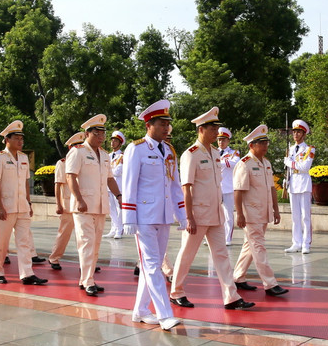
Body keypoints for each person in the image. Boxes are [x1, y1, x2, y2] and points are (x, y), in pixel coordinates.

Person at [170, 107, 253, 311]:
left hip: (216, 213)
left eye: (217, 128)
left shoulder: (215, 152)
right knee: (187, 254)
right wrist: (188, 217)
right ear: (201, 129)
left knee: (222, 254)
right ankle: (176, 291)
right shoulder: (191, 154)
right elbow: (186, 188)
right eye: (213, 128)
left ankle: (231, 296)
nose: (217, 133)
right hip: (197, 214)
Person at [121, 99, 185, 331]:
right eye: (161, 124)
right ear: (148, 125)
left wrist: (182, 215)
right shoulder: (136, 149)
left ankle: (140, 310)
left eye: (167, 124)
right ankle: (165, 314)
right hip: (144, 216)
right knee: (151, 266)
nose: (166, 128)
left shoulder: (169, 151)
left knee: (155, 264)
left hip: (164, 215)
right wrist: (128, 216)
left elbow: (175, 186)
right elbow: (129, 183)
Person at [232, 124, 289, 297]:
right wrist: (240, 214)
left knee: (250, 246)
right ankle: (270, 283)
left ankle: (237, 277)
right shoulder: (244, 164)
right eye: (261, 143)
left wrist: (276, 210)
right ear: (251, 145)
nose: (265, 146)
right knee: (258, 247)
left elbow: (272, 188)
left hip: (263, 213)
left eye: (266, 143)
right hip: (250, 214)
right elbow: (238, 191)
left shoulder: (266, 163)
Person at [67, 116, 120, 296]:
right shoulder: (78, 151)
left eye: (103, 133)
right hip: (83, 206)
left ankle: (85, 279)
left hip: (100, 206)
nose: (101, 137)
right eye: (97, 133)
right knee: (87, 243)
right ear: (87, 134)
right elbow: (70, 177)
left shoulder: (105, 155)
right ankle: (89, 280)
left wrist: (119, 196)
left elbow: (110, 178)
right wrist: (79, 199)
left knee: (95, 244)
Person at [0, 120, 45, 285]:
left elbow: (26, 183)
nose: (21, 142)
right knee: (2, 242)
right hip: (5, 207)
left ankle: (27, 273)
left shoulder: (23, 158)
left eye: (22, 139)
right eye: (17, 138)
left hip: (21, 206)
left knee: (24, 242)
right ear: (7, 139)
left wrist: (29, 203)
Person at [48, 132, 83, 270]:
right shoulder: (62, 163)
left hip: (81, 205)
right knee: (64, 234)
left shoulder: (86, 159)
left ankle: (85, 262)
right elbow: (57, 184)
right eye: (76, 146)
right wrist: (58, 204)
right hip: (67, 204)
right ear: (70, 148)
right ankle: (54, 258)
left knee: (83, 236)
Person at [284, 119, 315, 253]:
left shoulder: (309, 149)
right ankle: (296, 242)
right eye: (294, 131)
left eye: (298, 132)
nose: (295, 134)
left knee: (305, 216)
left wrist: (289, 163)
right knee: (295, 216)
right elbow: (289, 168)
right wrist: (286, 180)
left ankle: (306, 243)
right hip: (293, 183)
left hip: (303, 182)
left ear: (304, 134)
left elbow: (305, 167)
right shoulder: (290, 149)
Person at [217, 127, 240, 245]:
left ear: (228, 141)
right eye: (219, 140)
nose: (221, 142)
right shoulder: (213, 151)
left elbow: (234, 163)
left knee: (228, 214)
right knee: (214, 213)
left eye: (223, 140)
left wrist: (218, 162)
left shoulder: (233, 153)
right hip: (216, 187)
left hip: (228, 187)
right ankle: (214, 237)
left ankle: (227, 238)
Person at [105, 131, 126, 238]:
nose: (113, 143)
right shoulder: (107, 156)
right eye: (112, 141)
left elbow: (118, 171)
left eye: (115, 141)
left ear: (120, 143)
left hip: (118, 186)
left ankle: (119, 229)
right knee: (111, 209)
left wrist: (108, 172)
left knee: (119, 208)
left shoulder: (123, 156)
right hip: (108, 187)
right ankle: (113, 229)